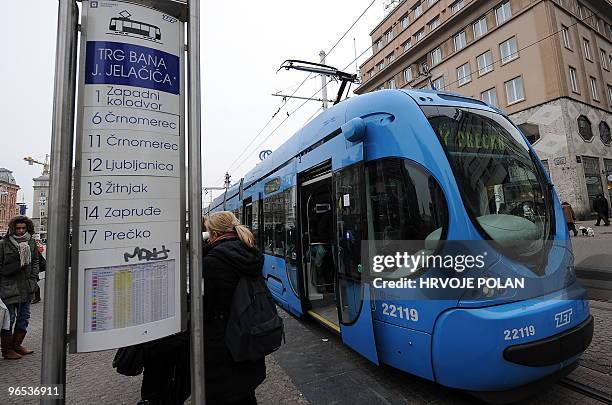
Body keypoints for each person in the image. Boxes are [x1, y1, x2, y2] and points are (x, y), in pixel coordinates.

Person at [202, 211, 266, 405]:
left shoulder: (212, 262)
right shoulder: (251, 253)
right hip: (250, 337)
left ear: (213, 234)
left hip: (224, 346)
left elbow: (206, 308)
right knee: (245, 394)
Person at [0, 216, 39, 360]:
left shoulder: (31, 242)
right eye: (18, 228)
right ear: (12, 229)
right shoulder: (4, 244)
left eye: (23, 228)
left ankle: (17, 345)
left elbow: (35, 261)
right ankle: (7, 350)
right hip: (8, 288)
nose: (21, 231)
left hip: (26, 287)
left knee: (24, 318)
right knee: (9, 319)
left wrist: (33, 279)